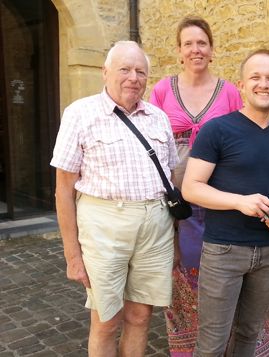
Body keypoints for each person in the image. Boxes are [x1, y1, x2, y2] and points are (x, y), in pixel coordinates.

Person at [149, 16, 269, 357]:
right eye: (188, 44)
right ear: (179, 51)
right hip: (181, 204)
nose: (196, 49)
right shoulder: (163, 90)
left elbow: (246, 137)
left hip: (225, 204)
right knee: (185, 272)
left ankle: (240, 342)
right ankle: (195, 344)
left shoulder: (228, 91)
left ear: (212, 50)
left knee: (234, 270)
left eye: (202, 43)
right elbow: (152, 142)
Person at [51, 41, 178, 357]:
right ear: (105, 72)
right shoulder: (80, 114)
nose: (133, 77)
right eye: (125, 69)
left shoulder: (159, 118)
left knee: (140, 315)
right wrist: (72, 255)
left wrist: (174, 240)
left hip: (155, 228)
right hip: (104, 227)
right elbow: (64, 190)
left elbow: (172, 180)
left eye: (140, 71)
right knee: (106, 320)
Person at [182, 49, 269, 357]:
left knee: (249, 335)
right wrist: (239, 202)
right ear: (241, 86)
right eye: (256, 77)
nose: (264, 84)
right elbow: (191, 188)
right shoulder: (217, 130)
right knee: (211, 343)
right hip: (224, 251)